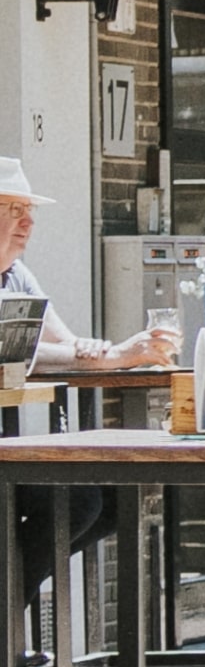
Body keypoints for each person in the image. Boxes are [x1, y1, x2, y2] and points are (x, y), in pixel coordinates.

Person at [0, 157, 179, 596]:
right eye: (13, 210)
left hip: (7, 448)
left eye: (30, 212)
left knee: (118, 495)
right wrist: (115, 357)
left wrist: (113, 352)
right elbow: (24, 352)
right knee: (77, 500)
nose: (28, 222)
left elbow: (67, 345)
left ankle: (8, 607)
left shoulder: (16, 275)